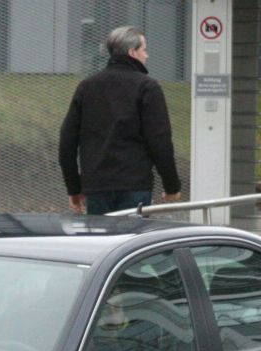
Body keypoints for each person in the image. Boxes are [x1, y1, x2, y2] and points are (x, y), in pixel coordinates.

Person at [58, 25, 183, 215]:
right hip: (135, 185)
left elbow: (67, 140)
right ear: (132, 52)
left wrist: (74, 188)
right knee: (133, 233)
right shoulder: (147, 87)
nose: (147, 55)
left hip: (96, 187)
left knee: (101, 235)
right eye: (144, 50)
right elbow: (160, 141)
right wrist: (171, 186)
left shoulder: (87, 87)